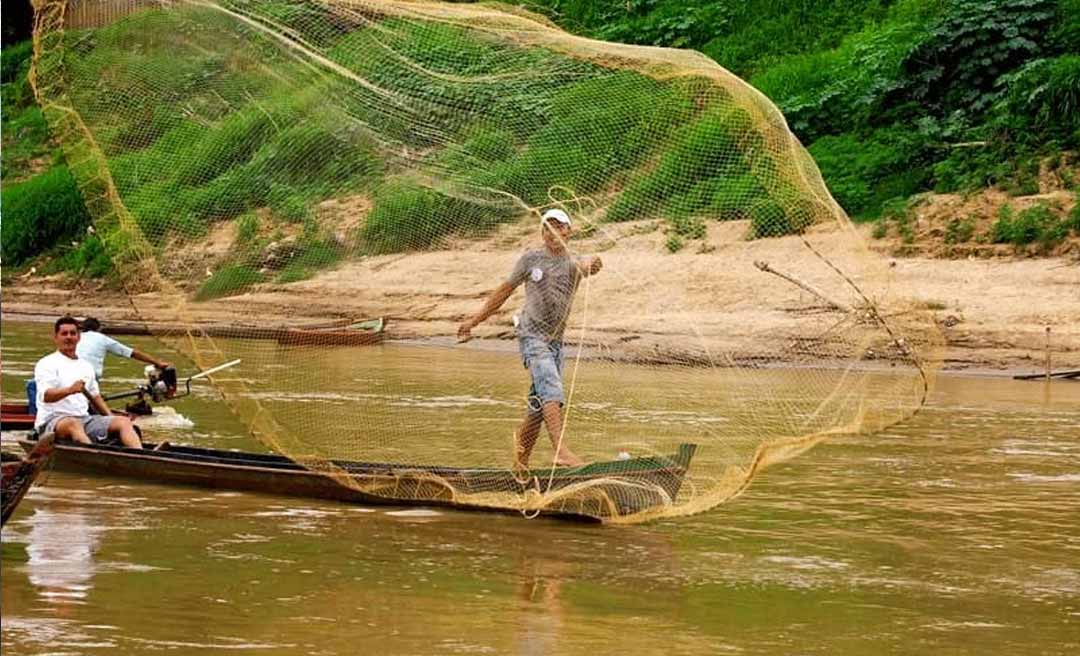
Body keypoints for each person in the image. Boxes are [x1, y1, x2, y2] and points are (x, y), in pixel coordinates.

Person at [458, 208, 602, 469]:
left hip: (555, 343)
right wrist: (474, 321)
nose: (552, 232)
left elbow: (588, 264)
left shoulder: (573, 262)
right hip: (531, 337)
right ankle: (560, 451)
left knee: (538, 411)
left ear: (569, 231)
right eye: (547, 227)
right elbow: (503, 291)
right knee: (551, 389)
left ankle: (519, 463)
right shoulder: (531, 259)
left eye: (558, 226)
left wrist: (594, 262)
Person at [34, 316, 143, 448]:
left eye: (72, 333)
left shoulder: (85, 366)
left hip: (84, 420)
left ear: (78, 337)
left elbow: (95, 397)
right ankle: (95, 457)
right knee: (73, 424)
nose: (69, 337)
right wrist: (69, 390)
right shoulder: (47, 363)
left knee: (123, 422)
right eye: (64, 333)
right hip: (53, 421)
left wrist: (110, 417)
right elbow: (46, 396)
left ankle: (144, 459)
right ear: (56, 337)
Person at [76, 317, 170, 380]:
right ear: (98, 329)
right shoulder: (102, 338)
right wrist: (157, 363)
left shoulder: (75, 337)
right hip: (90, 377)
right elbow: (132, 353)